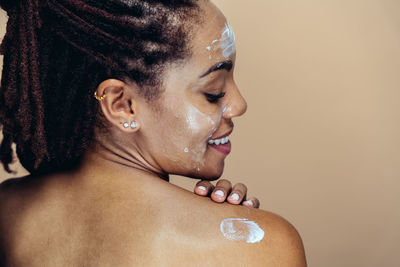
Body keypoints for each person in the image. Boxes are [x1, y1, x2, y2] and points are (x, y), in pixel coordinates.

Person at [0, 0, 307, 266]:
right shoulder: (260, 243)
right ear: (122, 105)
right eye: (213, 92)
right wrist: (232, 228)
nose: (239, 105)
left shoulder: (7, 211)